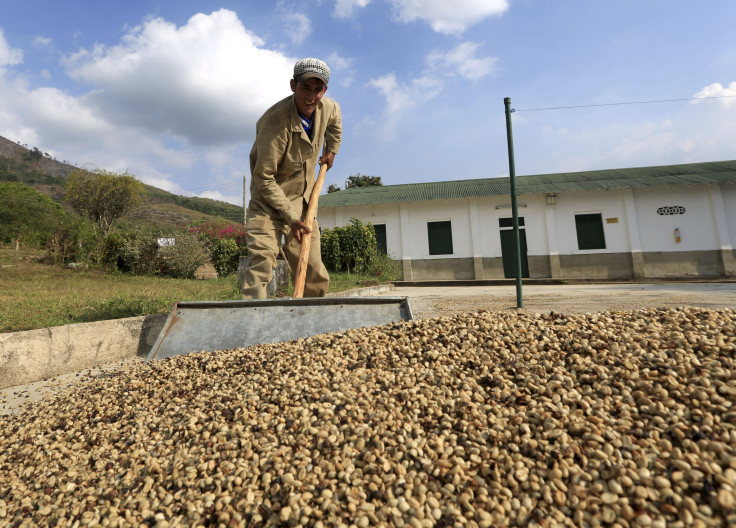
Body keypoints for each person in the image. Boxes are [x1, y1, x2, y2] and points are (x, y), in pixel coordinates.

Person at [242, 58, 342, 299]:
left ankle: (312, 325)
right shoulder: (274, 124)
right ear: (293, 85)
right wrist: (291, 218)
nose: (311, 96)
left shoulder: (328, 107)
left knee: (313, 268)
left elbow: (335, 126)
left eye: (318, 90)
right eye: (305, 88)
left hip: (303, 201)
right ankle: (252, 324)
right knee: (262, 263)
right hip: (268, 202)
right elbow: (264, 178)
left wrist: (331, 150)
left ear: (324, 91)